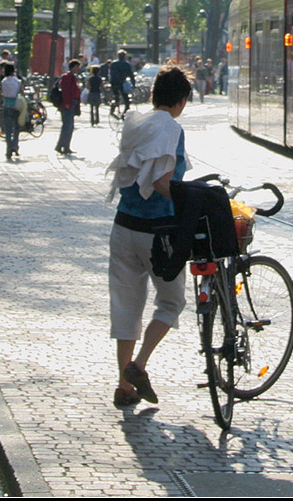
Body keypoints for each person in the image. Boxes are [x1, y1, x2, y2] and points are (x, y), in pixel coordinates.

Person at [105, 65, 193, 408]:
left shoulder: (136, 122)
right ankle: (138, 367)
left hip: (122, 227)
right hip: (157, 233)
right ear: (182, 100)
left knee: (126, 308)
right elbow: (160, 181)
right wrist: (191, 202)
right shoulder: (171, 128)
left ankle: (124, 388)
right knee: (171, 302)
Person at [55, 59, 82, 155]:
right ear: (72, 67)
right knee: (68, 126)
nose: (78, 69)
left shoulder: (72, 77)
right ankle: (62, 146)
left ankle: (64, 146)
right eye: (77, 67)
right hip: (68, 104)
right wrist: (67, 103)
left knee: (69, 126)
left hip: (72, 103)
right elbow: (66, 91)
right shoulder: (67, 77)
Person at [0, 62, 22, 161]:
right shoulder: (18, 81)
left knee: (8, 130)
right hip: (16, 106)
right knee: (17, 128)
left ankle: (8, 149)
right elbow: (21, 92)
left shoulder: (3, 81)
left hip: (6, 105)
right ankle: (15, 145)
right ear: (13, 71)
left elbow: (1, 93)